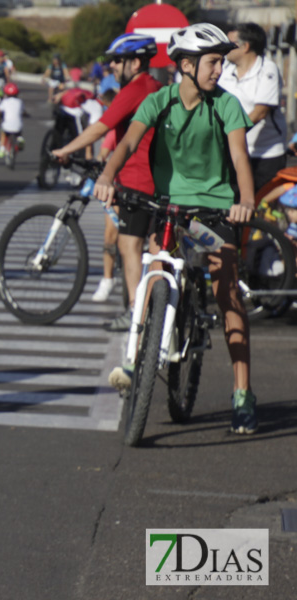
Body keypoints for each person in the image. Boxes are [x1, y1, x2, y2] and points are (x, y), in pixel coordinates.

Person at [93, 23, 259, 435]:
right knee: (154, 269)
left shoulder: (226, 105)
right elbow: (127, 143)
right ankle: (135, 358)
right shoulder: (159, 102)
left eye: (222, 60)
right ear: (185, 65)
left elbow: (239, 157)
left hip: (217, 210)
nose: (220, 69)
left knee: (226, 293)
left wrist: (245, 201)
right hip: (171, 206)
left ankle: (242, 394)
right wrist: (108, 176)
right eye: (213, 61)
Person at [53, 34, 160, 321]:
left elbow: (101, 127)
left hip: (138, 180)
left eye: (117, 60)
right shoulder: (155, 86)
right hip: (155, 178)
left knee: (129, 245)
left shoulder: (136, 88)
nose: (111, 65)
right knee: (152, 247)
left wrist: (65, 149)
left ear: (135, 63)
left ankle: (137, 314)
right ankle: (152, 311)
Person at [220, 23, 287, 193]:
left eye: (230, 43)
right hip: (233, 151)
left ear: (245, 47)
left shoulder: (267, 70)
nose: (225, 48)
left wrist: (230, 133)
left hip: (266, 153)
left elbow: (260, 112)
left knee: (261, 209)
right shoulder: (223, 71)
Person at [0, 82, 26, 158]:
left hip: (7, 125)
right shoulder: (20, 102)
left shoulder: (4, 102)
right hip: (17, 126)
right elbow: (23, 111)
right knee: (19, 130)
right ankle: (19, 138)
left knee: (3, 132)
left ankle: (2, 148)